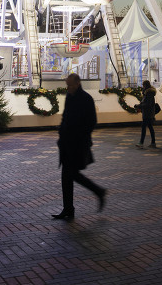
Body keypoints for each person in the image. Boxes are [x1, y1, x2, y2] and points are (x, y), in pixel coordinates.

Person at [52, 73, 106, 220]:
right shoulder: (70, 97)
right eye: (67, 85)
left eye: (70, 85)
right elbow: (66, 117)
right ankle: (69, 207)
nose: (67, 88)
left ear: (77, 83)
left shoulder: (85, 99)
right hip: (67, 143)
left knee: (71, 174)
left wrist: (81, 137)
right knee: (67, 176)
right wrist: (62, 132)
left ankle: (97, 192)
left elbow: (91, 122)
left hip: (77, 144)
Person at [135, 79, 157, 149]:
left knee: (144, 128)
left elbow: (147, 104)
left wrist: (139, 106)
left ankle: (141, 143)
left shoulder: (149, 94)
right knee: (150, 128)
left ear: (145, 85)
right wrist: (140, 105)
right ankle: (153, 143)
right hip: (148, 113)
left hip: (148, 114)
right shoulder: (147, 93)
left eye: (143, 85)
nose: (142, 87)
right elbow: (145, 103)